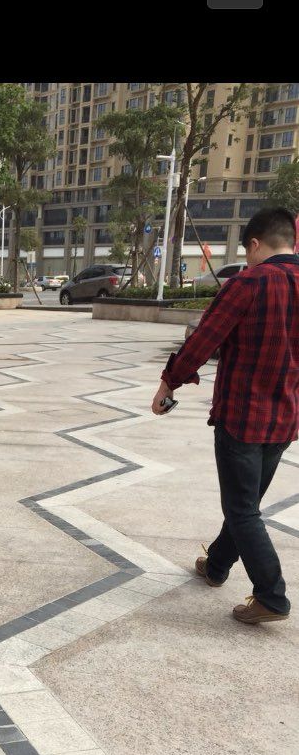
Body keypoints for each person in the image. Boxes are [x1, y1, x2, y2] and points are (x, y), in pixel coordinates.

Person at [152, 206, 299, 625]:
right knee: (245, 504)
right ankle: (216, 565)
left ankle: (271, 596)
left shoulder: (248, 283)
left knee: (242, 509)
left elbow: (204, 340)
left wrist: (168, 384)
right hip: (286, 418)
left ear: (254, 243)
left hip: (243, 417)